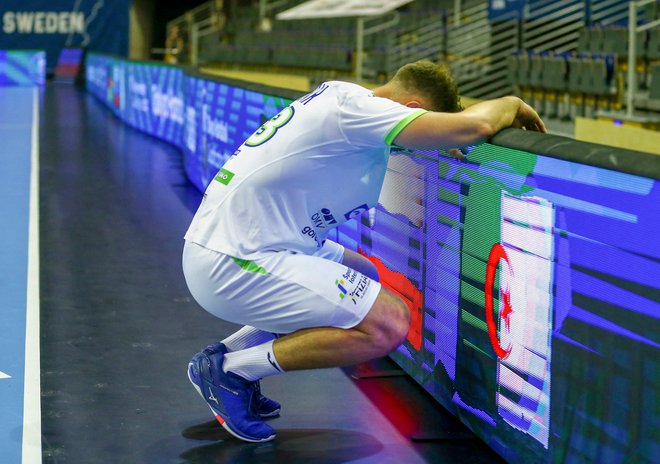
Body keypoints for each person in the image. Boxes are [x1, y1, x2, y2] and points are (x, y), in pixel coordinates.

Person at [182, 60, 546, 443]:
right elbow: (479, 126)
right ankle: (235, 371)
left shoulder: (346, 102)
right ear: (410, 109)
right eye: (421, 123)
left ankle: (221, 357)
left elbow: (432, 135)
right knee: (389, 323)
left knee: (365, 272)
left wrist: (439, 135)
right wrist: (511, 102)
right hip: (233, 261)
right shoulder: (358, 111)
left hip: (249, 243)